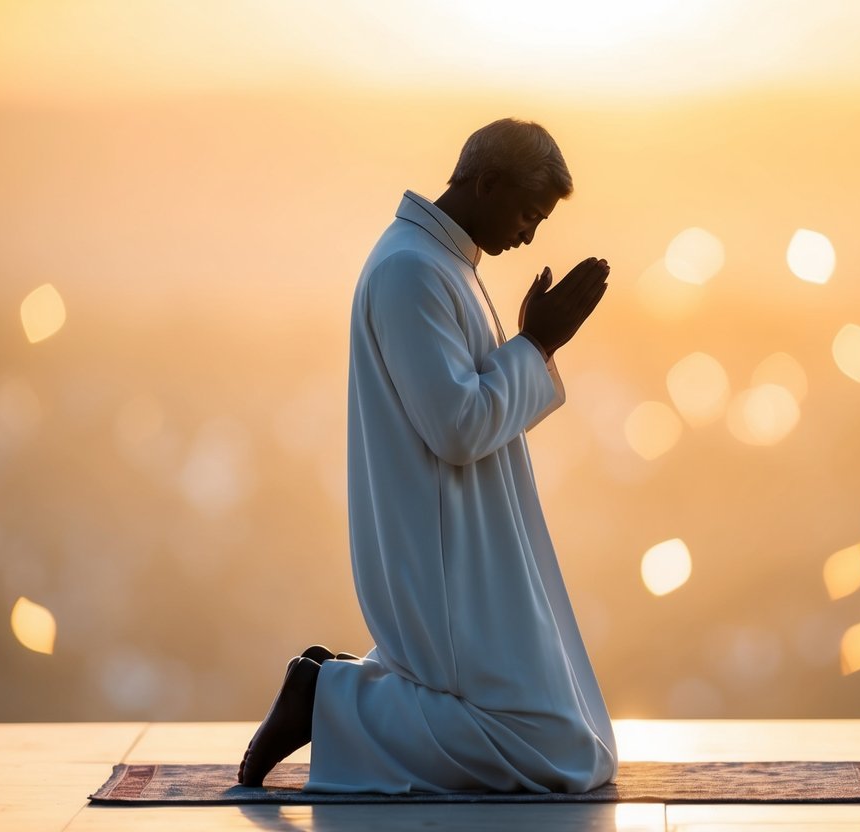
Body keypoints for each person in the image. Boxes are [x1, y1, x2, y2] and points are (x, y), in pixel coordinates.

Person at [238, 118, 615, 793]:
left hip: (471, 540)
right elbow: (457, 427)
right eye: (528, 213)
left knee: (575, 738)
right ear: (486, 182)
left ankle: (338, 690)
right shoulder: (411, 270)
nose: (529, 235)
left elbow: (468, 403)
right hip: (444, 553)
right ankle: (331, 698)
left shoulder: (443, 263)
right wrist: (536, 346)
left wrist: (532, 345)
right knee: (552, 753)